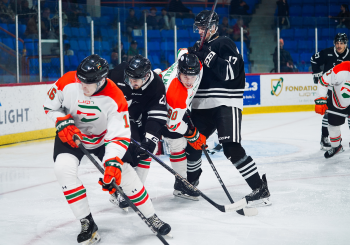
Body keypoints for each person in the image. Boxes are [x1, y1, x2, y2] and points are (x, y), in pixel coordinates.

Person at [43, 54, 171, 244]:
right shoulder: (68, 81)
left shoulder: (115, 97)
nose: (82, 85)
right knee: (62, 169)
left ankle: (151, 216)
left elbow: (119, 134)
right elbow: (50, 105)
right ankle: (87, 222)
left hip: (103, 139)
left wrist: (112, 160)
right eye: (80, 80)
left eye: (88, 83)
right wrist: (61, 121)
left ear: (102, 80)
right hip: (72, 135)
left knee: (126, 174)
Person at [187, 10, 271, 206]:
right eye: (198, 27)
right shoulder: (198, 47)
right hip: (201, 105)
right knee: (192, 144)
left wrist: (206, 55)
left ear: (213, 27)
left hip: (225, 103)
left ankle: (260, 188)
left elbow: (230, 72)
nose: (199, 31)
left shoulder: (224, 43)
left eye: (203, 27)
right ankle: (190, 184)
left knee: (231, 148)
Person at [107, 55, 168, 210]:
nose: (132, 82)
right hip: (121, 117)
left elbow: (157, 116)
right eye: (130, 78)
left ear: (147, 76)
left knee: (145, 151)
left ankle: (135, 190)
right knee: (126, 151)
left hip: (143, 118)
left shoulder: (156, 85)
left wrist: (149, 140)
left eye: (136, 79)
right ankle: (120, 191)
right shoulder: (118, 73)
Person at [157, 49, 203, 201]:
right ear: (179, 73)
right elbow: (173, 125)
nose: (189, 80)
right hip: (158, 105)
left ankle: (181, 183)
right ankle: (181, 185)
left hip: (168, 98)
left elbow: (182, 51)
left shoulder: (195, 65)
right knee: (177, 143)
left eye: (192, 76)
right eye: (185, 76)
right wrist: (193, 134)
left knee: (180, 142)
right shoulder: (176, 95)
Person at [311, 33, 350, 150]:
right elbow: (313, 59)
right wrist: (317, 73)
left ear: (345, 44)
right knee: (329, 114)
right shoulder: (327, 53)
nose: (339, 45)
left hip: (346, 90)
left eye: (341, 43)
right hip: (330, 89)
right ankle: (324, 138)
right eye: (337, 43)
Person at [314, 61, 350, 158]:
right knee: (333, 125)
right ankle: (336, 147)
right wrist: (320, 100)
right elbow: (323, 81)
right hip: (337, 102)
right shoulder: (340, 69)